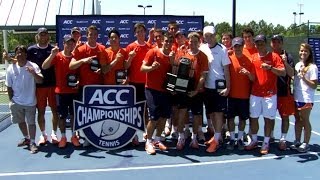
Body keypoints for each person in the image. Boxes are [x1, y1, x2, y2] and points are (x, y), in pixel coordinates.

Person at [245, 34, 285, 155]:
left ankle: (266, 142)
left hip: (270, 95)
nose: (259, 45)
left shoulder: (274, 56)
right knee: (253, 118)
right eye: (257, 43)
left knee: (268, 120)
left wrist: (270, 68)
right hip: (255, 94)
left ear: (265, 44)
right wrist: (247, 73)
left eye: (261, 43)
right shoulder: (253, 57)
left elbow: (283, 73)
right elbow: (252, 78)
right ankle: (255, 140)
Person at [42, 35, 81, 148]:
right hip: (61, 92)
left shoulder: (76, 57)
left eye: (72, 43)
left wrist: (78, 81)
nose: (70, 45)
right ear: (63, 44)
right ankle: (63, 137)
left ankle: (74, 136)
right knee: (62, 116)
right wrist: (52, 54)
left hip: (74, 91)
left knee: (74, 115)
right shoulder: (57, 56)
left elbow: (79, 74)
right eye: (67, 43)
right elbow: (44, 66)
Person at [141, 33, 175, 155]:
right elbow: (142, 68)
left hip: (166, 91)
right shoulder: (153, 52)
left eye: (170, 41)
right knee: (154, 116)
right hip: (151, 89)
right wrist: (151, 68)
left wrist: (173, 62)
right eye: (166, 41)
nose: (168, 43)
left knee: (164, 116)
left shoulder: (172, 56)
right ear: (162, 41)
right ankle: (148, 142)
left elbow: (175, 74)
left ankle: (157, 139)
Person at [6, 45, 44, 154]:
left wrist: (33, 73)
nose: (20, 54)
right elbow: (9, 86)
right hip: (16, 102)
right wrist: (11, 100)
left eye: (22, 52)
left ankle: (32, 142)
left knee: (31, 123)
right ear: (16, 55)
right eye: (18, 52)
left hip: (30, 101)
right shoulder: (10, 69)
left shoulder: (33, 66)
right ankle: (26, 138)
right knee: (21, 121)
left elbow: (40, 81)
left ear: (26, 54)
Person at [174, 32, 209, 150]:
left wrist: (196, 90)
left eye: (195, 41)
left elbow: (203, 76)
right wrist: (175, 87)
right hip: (183, 89)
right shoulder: (181, 53)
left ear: (199, 42)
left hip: (197, 91)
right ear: (187, 42)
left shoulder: (203, 56)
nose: (193, 43)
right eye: (191, 41)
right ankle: (181, 137)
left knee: (196, 116)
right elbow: (176, 71)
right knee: (181, 113)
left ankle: (194, 138)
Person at [199, 25, 231, 153]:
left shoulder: (222, 49)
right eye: (207, 36)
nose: (209, 38)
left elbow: (227, 70)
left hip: (219, 87)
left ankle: (217, 140)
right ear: (204, 37)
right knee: (211, 113)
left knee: (218, 114)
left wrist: (228, 87)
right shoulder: (202, 48)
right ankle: (215, 137)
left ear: (215, 35)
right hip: (207, 87)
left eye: (211, 35)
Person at [27, 27, 59, 146]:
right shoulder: (31, 50)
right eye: (41, 34)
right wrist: (10, 59)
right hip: (38, 86)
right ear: (37, 36)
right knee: (41, 112)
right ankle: (43, 134)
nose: (43, 36)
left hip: (52, 85)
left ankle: (54, 134)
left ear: (48, 37)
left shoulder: (53, 50)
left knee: (55, 111)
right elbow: (22, 61)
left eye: (45, 34)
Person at [124, 23, 151, 146]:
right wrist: (130, 58)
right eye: (138, 31)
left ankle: (146, 133)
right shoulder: (130, 47)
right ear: (135, 33)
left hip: (146, 84)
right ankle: (134, 135)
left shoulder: (150, 47)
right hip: (133, 83)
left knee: (145, 111)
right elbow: (125, 66)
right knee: (134, 111)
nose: (140, 33)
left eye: (142, 31)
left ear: (145, 33)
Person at [226, 37, 254, 151]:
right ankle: (232, 139)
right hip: (231, 95)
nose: (237, 48)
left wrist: (247, 73)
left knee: (243, 119)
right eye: (235, 46)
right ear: (233, 47)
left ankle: (240, 139)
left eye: (239, 46)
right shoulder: (228, 59)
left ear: (243, 46)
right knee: (231, 118)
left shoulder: (249, 60)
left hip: (244, 96)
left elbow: (253, 78)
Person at [270, 34, 296, 150]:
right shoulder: (268, 55)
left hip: (284, 92)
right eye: (273, 42)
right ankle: (270, 136)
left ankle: (283, 139)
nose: (275, 44)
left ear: (281, 43)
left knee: (284, 117)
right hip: (270, 92)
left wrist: (284, 62)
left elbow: (292, 74)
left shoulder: (288, 56)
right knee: (270, 117)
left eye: (278, 42)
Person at [291, 43, 318, 152]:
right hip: (296, 97)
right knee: (298, 120)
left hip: (306, 98)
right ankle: (297, 141)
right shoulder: (298, 65)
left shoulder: (313, 67)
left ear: (309, 53)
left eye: (305, 51)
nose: (303, 53)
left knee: (305, 120)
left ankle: (306, 143)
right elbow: (296, 79)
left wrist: (304, 78)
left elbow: (314, 85)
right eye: (301, 51)